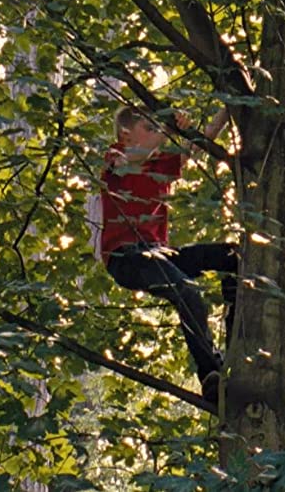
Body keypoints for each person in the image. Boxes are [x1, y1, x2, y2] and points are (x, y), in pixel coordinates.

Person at [96, 105, 236, 404]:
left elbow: (201, 141)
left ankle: (239, 341)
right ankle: (210, 373)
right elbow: (127, 162)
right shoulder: (116, 155)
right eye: (149, 128)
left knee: (233, 256)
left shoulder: (160, 164)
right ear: (126, 135)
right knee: (186, 291)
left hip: (160, 252)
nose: (156, 134)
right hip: (126, 257)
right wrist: (167, 130)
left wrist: (228, 108)